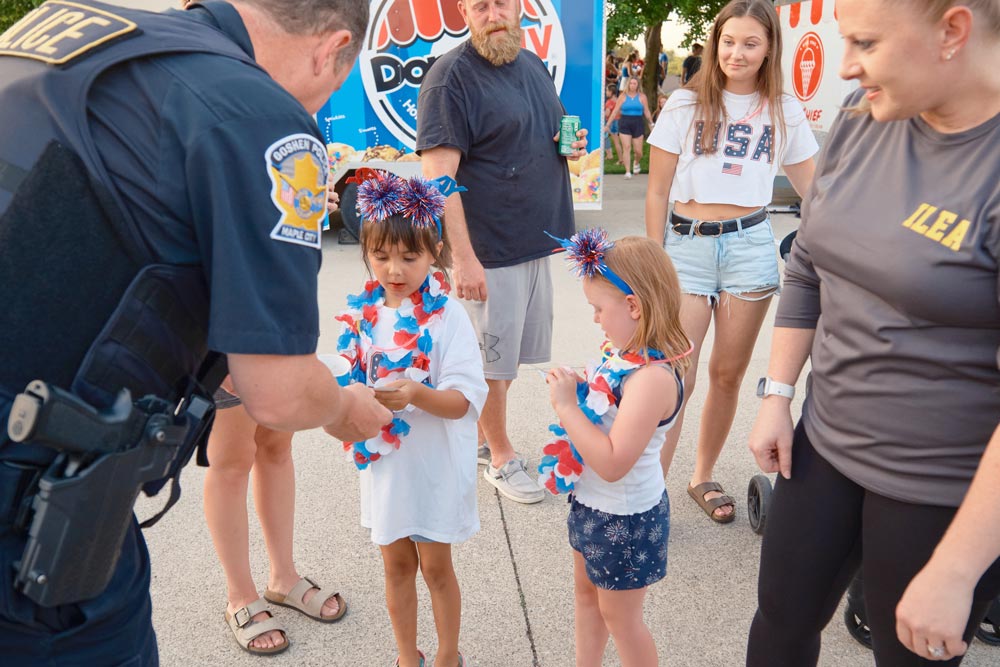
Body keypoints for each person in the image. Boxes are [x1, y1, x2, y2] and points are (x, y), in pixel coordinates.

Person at [0, 1, 391, 664]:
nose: (318, 107)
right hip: (29, 515)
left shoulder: (67, 26)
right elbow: (278, 392)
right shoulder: (261, 116)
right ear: (331, 48)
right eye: (331, 89)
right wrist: (345, 408)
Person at [745, 0, 1000, 663]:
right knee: (779, 623)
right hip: (822, 446)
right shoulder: (864, 119)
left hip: (937, 485)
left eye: (865, 42)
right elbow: (807, 265)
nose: (847, 66)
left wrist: (958, 566)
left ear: (952, 31)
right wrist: (777, 395)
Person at [644, 0, 817, 523]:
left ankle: (701, 476)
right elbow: (656, 192)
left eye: (750, 43)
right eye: (728, 41)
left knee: (726, 375)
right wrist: (656, 264)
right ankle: (650, 496)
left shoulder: (782, 108)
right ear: (714, 42)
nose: (736, 53)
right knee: (677, 375)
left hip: (750, 247)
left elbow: (819, 191)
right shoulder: (683, 104)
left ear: (769, 50)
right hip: (688, 247)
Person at [416, 0, 587, 505]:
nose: (494, 14)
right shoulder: (450, 79)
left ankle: (480, 440)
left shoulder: (531, 65)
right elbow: (438, 180)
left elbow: (551, 134)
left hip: (534, 243)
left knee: (507, 362)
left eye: (503, 3)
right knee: (489, 364)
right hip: (489, 250)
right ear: (465, 12)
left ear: (520, 9)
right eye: (481, 5)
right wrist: (462, 258)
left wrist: (567, 148)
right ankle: (502, 455)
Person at [335, 170, 487, 667]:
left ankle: (447, 656)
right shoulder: (363, 314)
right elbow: (345, 381)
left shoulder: (447, 317)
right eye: (380, 256)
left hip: (434, 466)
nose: (394, 269)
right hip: (387, 467)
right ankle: (406, 657)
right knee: (395, 563)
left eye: (409, 256)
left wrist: (419, 394)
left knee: (437, 566)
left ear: (435, 251)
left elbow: (464, 400)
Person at [540, 231, 690, 667]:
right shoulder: (624, 355)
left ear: (634, 307)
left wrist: (568, 407)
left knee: (621, 620)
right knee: (587, 598)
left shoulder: (652, 378)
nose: (594, 320)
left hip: (625, 517)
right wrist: (584, 392)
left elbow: (611, 462)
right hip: (592, 506)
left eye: (598, 309)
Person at [604, 77, 654, 179]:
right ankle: (627, 171)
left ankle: (636, 162)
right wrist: (607, 125)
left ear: (637, 85)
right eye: (631, 83)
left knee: (638, 151)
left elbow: (647, 111)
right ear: (628, 84)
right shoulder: (622, 96)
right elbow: (615, 111)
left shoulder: (642, 97)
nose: (632, 85)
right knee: (626, 147)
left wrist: (651, 124)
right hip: (625, 123)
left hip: (638, 123)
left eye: (634, 83)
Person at [604, 83, 624, 164]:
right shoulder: (619, 100)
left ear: (611, 92)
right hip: (620, 121)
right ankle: (620, 158)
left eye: (607, 91)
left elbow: (607, 114)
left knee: (616, 142)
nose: (606, 92)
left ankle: (621, 160)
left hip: (612, 123)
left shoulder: (609, 102)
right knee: (619, 142)